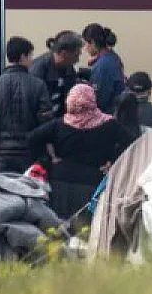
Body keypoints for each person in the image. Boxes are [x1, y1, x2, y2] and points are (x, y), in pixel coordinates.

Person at [28, 84, 135, 220]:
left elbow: (32, 139)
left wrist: (47, 160)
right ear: (92, 101)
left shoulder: (59, 125)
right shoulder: (109, 125)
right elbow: (131, 142)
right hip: (92, 183)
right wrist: (113, 161)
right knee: (85, 229)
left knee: (59, 228)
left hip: (59, 183)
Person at [0, 37, 52, 173]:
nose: (32, 60)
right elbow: (46, 123)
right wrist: (47, 155)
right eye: (30, 55)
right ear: (23, 56)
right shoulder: (39, 85)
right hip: (30, 154)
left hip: (2, 155)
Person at [31, 31, 83, 118]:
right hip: (42, 123)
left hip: (60, 120)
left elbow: (70, 94)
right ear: (64, 53)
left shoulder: (69, 68)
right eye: (76, 55)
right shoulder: (38, 69)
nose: (77, 60)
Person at [82, 24, 126, 114]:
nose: (85, 48)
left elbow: (99, 99)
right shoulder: (112, 57)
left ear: (93, 42)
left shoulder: (102, 65)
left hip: (105, 115)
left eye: (86, 43)